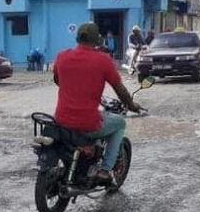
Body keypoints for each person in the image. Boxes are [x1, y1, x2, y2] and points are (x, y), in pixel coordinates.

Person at [52, 23, 143, 185]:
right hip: (87, 123)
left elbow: (58, 80)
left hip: (61, 121)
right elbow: (119, 88)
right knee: (120, 123)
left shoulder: (62, 56)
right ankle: (105, 170)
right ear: (98, 40)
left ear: (77, 38)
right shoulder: (102, 60)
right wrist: (131, 105)